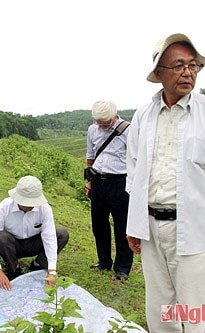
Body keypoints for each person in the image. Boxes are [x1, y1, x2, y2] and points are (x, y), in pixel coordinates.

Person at [126, 33, 205, 333]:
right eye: (178, 65)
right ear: (159, 71)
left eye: (193, 65)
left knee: (196, 311)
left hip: (195, 229)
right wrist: (134, 223)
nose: (188, 72)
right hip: (151, 229)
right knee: (160, 310)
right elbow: (133, 174)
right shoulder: (143, 116)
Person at [0, 175, 69, 291]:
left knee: (62, 234)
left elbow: (49, 237)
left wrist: (52, 271)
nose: (30, 205)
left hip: (34, 243)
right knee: (1, 237)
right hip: (13, 245)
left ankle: (38, 264)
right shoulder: (4, 207)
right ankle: (14, 269)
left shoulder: (44, 209)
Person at [85, 100, 134, 281]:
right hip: (98, 181)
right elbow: (90, 157)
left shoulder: (128, 130)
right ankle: (103, 261)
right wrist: (89, 182)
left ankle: (122, 268)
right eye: (99, 122)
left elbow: (135, 159)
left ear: (114, 116)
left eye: (105, 123)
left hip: (120, 182)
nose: (102, 126)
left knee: (122, 227)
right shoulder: (92, 130)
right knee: (99, 225)